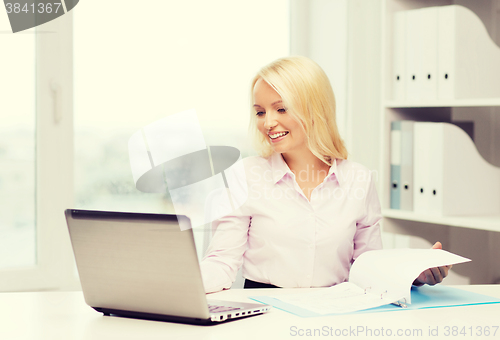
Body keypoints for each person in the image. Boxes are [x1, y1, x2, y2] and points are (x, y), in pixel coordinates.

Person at [199, 56, 450, 294]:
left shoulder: (358, 179)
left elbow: (370, 267)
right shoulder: (246, 175)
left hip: (335, 311)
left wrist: (414, 275)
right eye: (261, 112)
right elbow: (221, 263)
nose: (268, 123)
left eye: (281, 109)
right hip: (265, 310)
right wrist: (173, 281)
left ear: (314, 110)